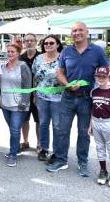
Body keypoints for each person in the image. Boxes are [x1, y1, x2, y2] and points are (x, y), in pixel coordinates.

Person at [47, 21, 110, 177]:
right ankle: (61, 160)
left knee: (84, 133)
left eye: (80, 30)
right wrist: (67, 84)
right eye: (74, 31)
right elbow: (59, 73)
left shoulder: (97, 51)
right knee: (62, 131)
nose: (77, 33)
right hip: (67, 97)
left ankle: (83, 162)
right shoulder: (66, 51)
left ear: (87, 32)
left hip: (87, 99)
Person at [32, 35, 63, 164]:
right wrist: (34, 95)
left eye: (51, 43)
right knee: (43, 123)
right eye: (45, 43)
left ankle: (57, 152)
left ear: (57, 45)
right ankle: (44, 149)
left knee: (57, 125)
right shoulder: (38, 59)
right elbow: (35, 77)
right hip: (41, 97)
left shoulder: (63, 58)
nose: (48, 45)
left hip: (58, 98)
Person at [0, 43, 32, 167]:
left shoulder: (23, 67)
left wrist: (23, 103)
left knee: (14, 130)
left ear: (18, 53)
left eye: (12, 51)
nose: (10, 54)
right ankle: (16, 148)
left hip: (19, 105)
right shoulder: (3, 67)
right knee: (13, 130)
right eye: (8, 51)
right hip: (5, 104)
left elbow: (28, 85)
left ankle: (13, 154)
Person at [88, 67, 110, 187]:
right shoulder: (94, 92)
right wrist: (90, 125)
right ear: (95, 77)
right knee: (100, 148)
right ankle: (103, 171)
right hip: (96, 122)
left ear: (109, 78)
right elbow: (92, 109)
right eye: (98, 76)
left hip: (108, 123)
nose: (100, 79)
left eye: (103, 76)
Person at [19, 33, 40, 151]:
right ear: (24, 43)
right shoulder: (20, 58)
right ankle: (25, 141)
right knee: (24, 120)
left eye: (32, 40)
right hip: (24, 95)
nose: (29, 42)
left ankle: (39, 144)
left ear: (36, 42)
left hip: (39, 95)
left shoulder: (41, 57)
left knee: (39, 121)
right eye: (27, 41)